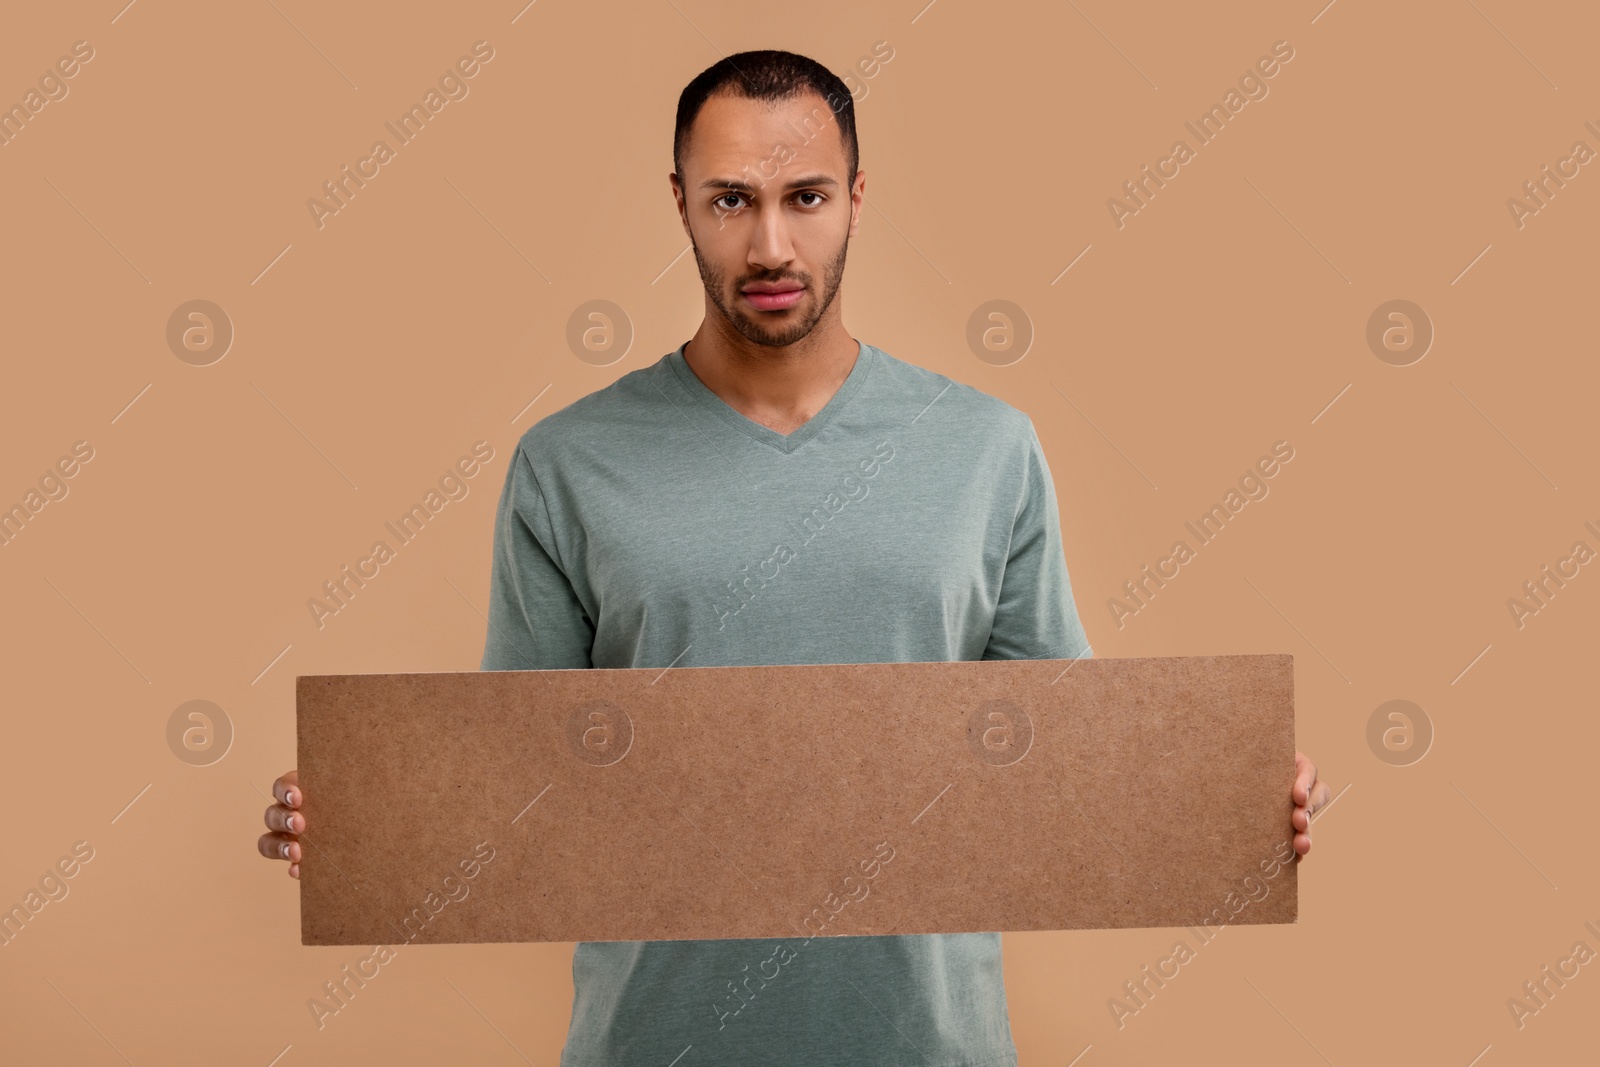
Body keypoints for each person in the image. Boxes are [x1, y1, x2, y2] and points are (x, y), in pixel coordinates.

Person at [260, 48, 1330, 1065]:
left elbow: (1062, 759)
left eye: (803, 197)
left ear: (857, 198)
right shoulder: (567, 463)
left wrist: (1230, 798)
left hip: (928, 1045)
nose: (770, 244)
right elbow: (520, 782)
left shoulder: (985, 447)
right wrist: (366, 816)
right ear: (678, 200)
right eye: (730, 199)